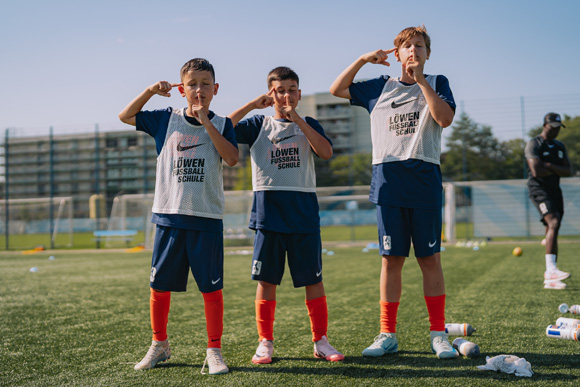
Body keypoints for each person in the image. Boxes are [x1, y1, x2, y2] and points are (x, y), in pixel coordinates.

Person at [329, 26, 458, 359]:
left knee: (430, 260)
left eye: (419, 46)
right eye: (407, 47)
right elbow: (336, 89)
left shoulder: (438, 82)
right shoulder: (378, 88)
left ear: (427, 54)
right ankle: (388, 333)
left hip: (425, 184)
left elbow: (443, 119)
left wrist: (422, 81)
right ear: (396, 53)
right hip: (388, 184)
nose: (413, 51)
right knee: (391, 261)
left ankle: (438, 333)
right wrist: (362, 59)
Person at [118, 58, 239, 375]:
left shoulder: (224, 124)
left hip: (206, 220)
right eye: (192, 83)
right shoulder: (164, 120)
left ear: (215, 89)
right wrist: (149, 91)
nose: (199, 89)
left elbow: (232, 159)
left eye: (205, 83)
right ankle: (159, 344)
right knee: (159, 287)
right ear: (181, 88)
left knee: (211, 290)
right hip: (169, 219)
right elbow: (125, 115)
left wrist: (207, 123)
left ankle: (214, 350)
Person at [228, 66, 344, 364]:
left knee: (313, 281)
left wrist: (298, 121)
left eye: (292, 89)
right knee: (267, 281)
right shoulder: (258, 124)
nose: (287, 95)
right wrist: (253, 105)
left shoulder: (310, 123)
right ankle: (265, 342)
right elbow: (223, 127)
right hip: (269, 215)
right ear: (272, 93)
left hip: (303, 215)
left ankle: (321, 341)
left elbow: (326, 152)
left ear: (299, 93)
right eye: (280, 90)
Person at [525, 112, 571, 290]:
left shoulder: (560, 145)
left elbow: (568, 170)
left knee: (553, 227)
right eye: (553, 126)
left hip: (554, 190)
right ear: (545, 125)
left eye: (559, 127)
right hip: (539, 189)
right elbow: (536, 171)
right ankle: (551, 270)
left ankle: (550, 279)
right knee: (554, 221)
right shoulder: (534, 144)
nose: (556, 130)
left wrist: (549, 166)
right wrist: (555, 169)